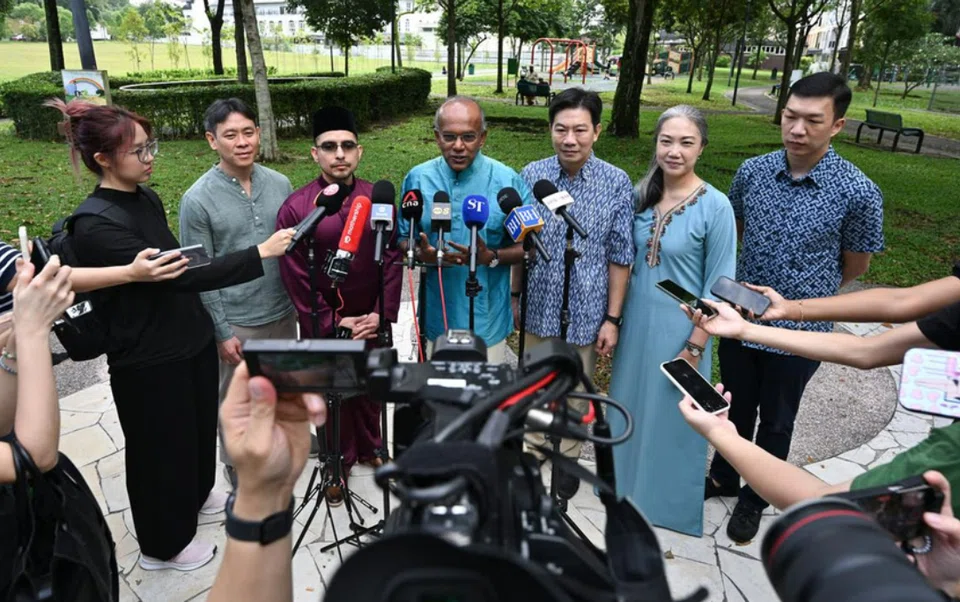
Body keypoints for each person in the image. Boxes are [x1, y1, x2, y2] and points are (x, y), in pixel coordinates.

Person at [49, 99, 295, 571]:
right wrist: (258, 252)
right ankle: (163, 546)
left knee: (198, 430)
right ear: (103, 158)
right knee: (159, 451)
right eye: (139, 150)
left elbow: (180, 262)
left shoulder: (143, 197)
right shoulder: (97, 224)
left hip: (187, 340)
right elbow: (182, 273)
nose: (150, 157)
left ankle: (199, 493)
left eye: (150, 146)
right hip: (147, 357)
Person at [708, 72, 885, 543]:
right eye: (790, 116)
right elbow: (736, 234)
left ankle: (754, 498)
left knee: (778, 419)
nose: (797, 129)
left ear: (838, 125)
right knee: (734, 405)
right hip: (739, 316)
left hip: (801, 332)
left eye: (812, 120)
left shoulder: (859, 192)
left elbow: (856, 265)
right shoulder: (752, 172)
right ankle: (725, 476)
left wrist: (806, 302)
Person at [680, 391, 960, 596]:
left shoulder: (952, 453)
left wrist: (721, 433)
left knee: (777, 423)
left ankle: (752, 501)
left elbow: (824, 507)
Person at [605, 105, 736, 537]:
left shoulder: (716, 207)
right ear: (655, 143)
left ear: (702, 147)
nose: (674, 151)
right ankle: (624, 493)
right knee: (631, 405)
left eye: (686, 142)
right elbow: (624, 262)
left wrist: (695, 346)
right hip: (637, 323)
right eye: (666, 140)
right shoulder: (640, 195)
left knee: (675, 417)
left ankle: (667, 506)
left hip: (683, 331)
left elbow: (719, 288)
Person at [277, 106, 403, 505]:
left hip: (372, 318)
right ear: (315, 154)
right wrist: (333, 320)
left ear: (360, 152)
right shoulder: (298, 208)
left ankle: (373, 448)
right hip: (325, 322)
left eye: (347, 146)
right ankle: (336, 461)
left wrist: (380, 314)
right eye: (329, 147)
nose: (339, 154)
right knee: (331, 395)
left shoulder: (377, 201)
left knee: (372, 387)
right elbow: (294, 270)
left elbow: (394, 257)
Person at [517, 88, 634, 498]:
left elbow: (621, 255)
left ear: (597, 132)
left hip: (586, 307)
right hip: (539, 302)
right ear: (550, 129)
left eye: (580, 130)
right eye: (561, 129)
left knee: (577, 388)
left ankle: (566, 451)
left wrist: (612, 318)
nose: (570, 139)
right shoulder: (532, 174)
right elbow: (522, 243)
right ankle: (532, 447)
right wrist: (517, 296)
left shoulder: (617, 182)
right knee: (534, 382)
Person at [180, 98, 298, 488]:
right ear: (212, 140)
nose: (242, 142)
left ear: (259, 134)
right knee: (236, 403)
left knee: (278, 388)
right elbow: (198, 273)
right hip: (236, 321)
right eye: (230, 135)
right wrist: (221, 330)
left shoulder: (279, 182)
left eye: (248, 132)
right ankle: (236, 465)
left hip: (281, 311)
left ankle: (278, 444)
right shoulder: (197, 199)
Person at [398, 96, 532, 362]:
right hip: (436, 318)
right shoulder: (417, 178)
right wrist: (419, 253)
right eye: (449, 137)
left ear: (482, 138)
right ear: (437, 137)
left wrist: (491, 256)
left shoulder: (507, 181)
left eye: (468, 137)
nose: (458, 146)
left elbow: (531, 248)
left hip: (487, 321)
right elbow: (403, 237)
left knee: (485, 401)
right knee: (440, 400)